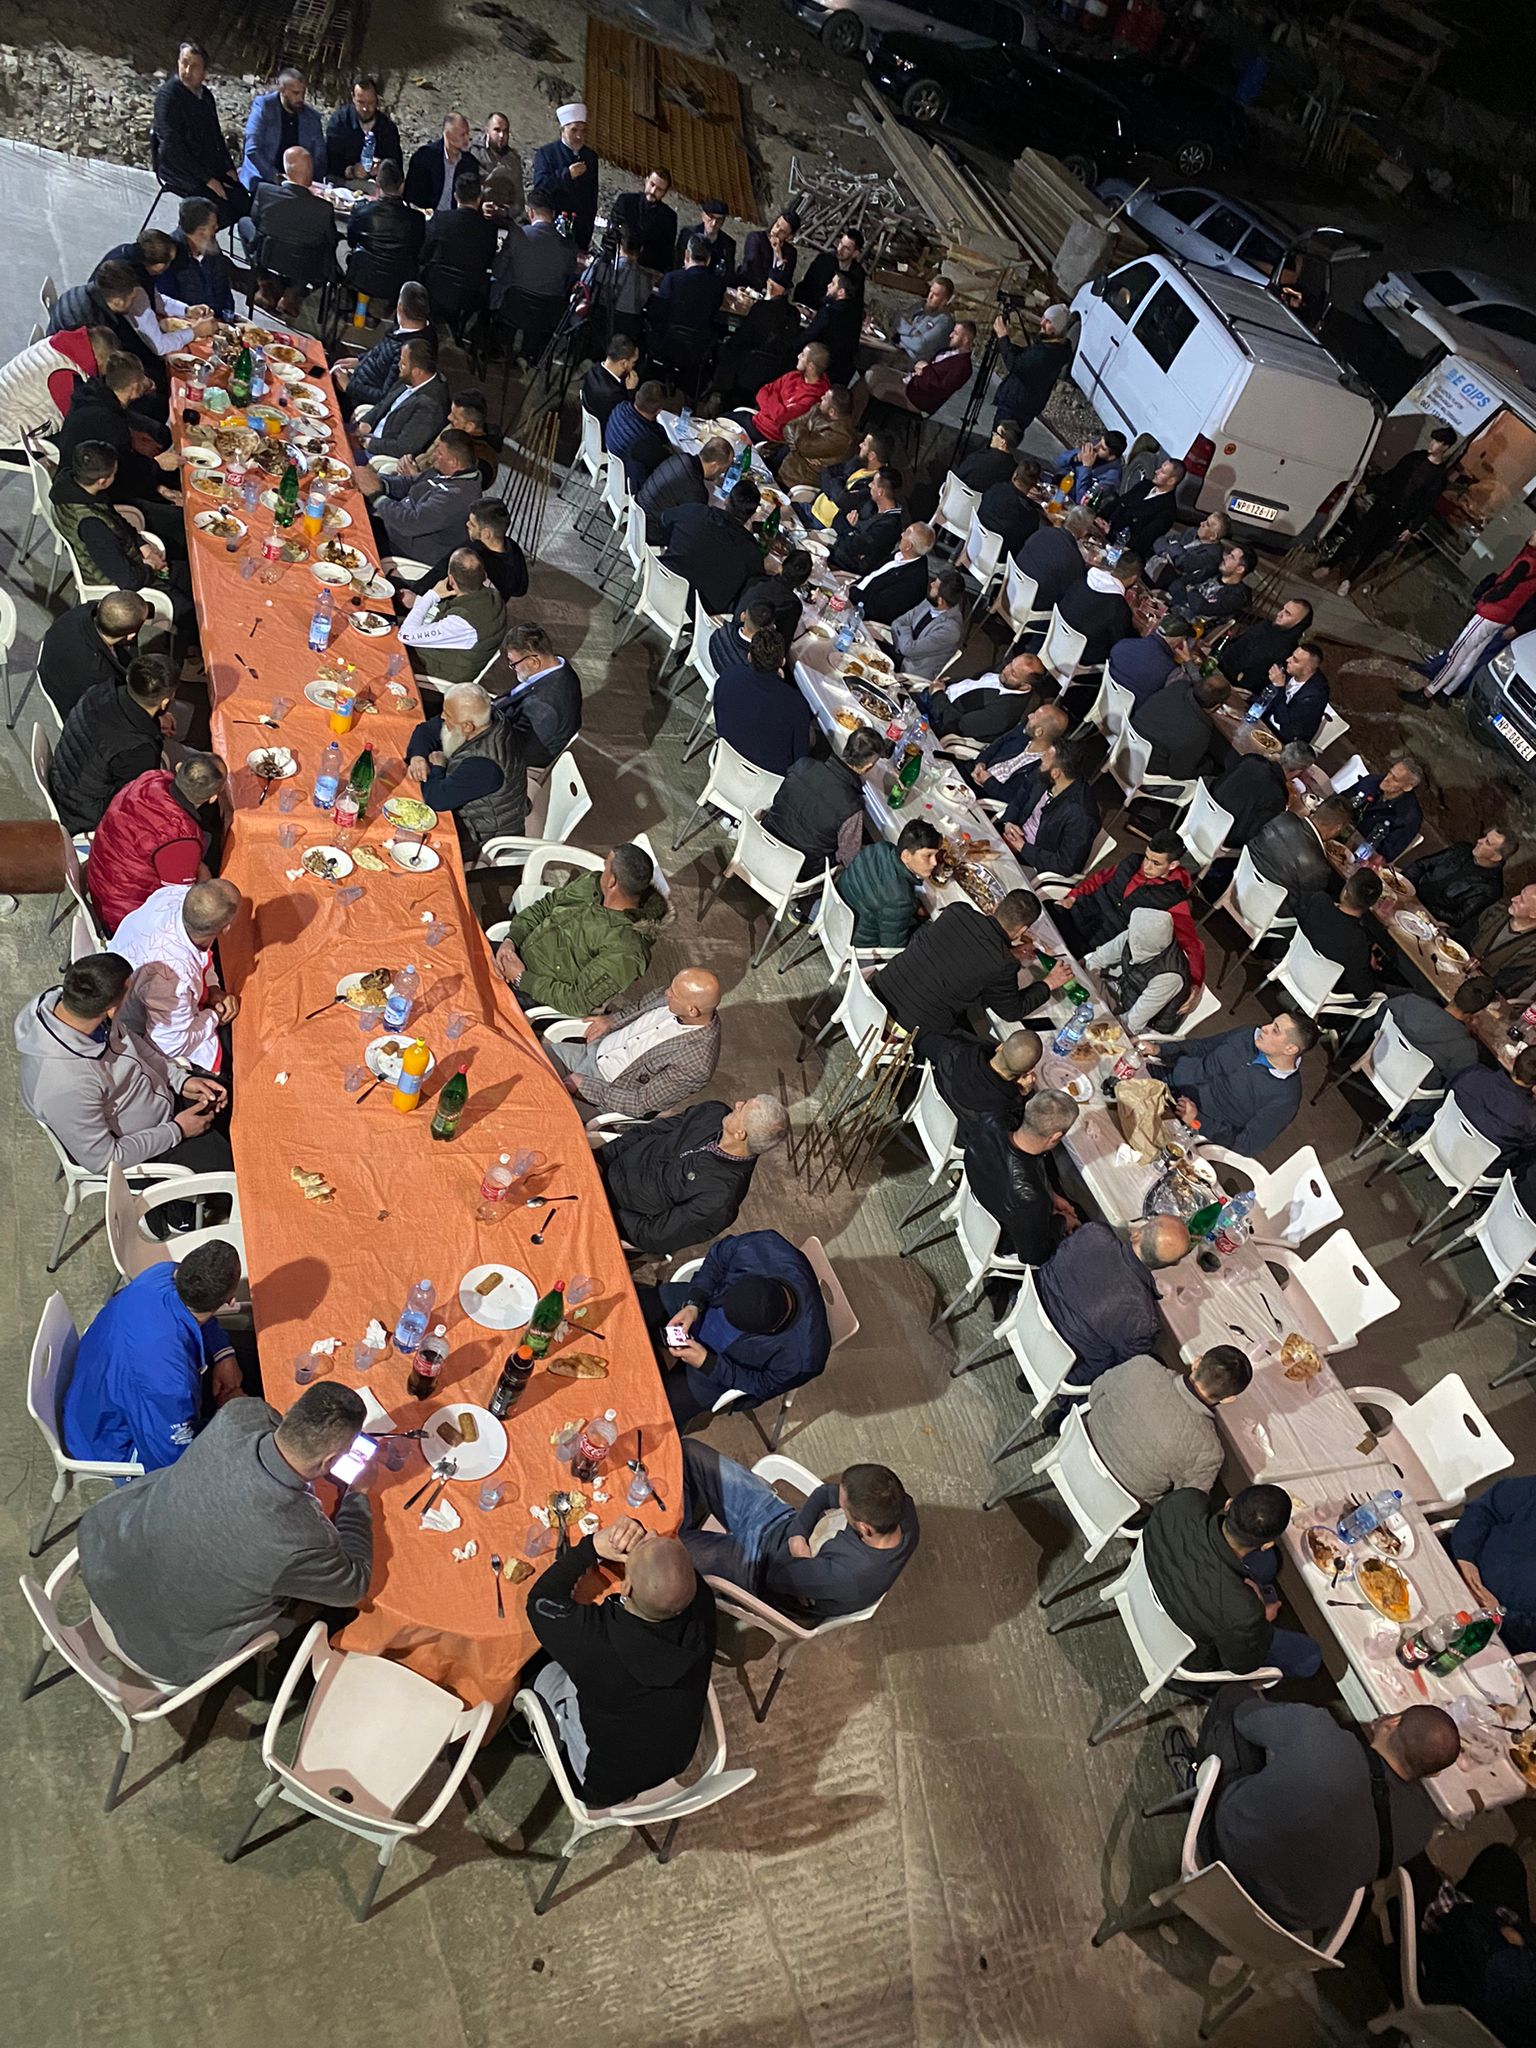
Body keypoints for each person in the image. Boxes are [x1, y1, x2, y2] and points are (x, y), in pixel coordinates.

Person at [77, 1384, 373, 1689]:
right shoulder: (303, 1538)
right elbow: (354, 1587)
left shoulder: (238, 1416)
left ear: (291, 1412)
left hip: (105, 1560)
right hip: (161, 1651)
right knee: (313, 1605)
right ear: (330, 1461)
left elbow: (265, 1418)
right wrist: (358, 1496)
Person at [1193, 1695, 1459, 1939]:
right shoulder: (1421, 1830)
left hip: (1221, 1852)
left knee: (1232, 1697)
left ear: (1393, 1722)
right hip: (1285, 1922)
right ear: (1432, 1774)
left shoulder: (1317, 1730)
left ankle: (1194, 1776)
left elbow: (1245, 1717)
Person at [527, 1516, 714, 1808]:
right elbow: (668, 1570)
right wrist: (646, 1550)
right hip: (674, 1759)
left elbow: (540, 1601)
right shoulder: (702, 1603)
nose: (652, 1532)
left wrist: (590, 1548)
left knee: (540, 1672)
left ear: (625, 1588)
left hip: (602, 1784)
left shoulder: (597, 1643)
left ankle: (540, 1735)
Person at [15, 951, 230, 1175]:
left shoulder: (79, 1009)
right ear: (112, 1010)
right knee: (237, 1171)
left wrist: (179, 1080)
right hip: (145, 1149)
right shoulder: (63, 1089)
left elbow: (131, 1042)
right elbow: (104, 1160)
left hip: (165, 1100)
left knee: (233, 1098)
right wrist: (177, 1131)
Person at [62, 1243, 244, 1474]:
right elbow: (171, 1461)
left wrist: (223, 1354)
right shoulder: (171, 1383)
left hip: (97, 1394)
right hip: (110, 1443)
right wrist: (229, 1416)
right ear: (230, 1299)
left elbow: (201, 1311)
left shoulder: (160, 1274)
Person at [682, 1444, 918, 1621]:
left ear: (865, 1528)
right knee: (689, 1452)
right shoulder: (899, 1507)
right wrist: (798, 1538)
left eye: (844, 1508)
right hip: (779, 1521)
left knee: (668, 1551)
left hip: (758, 1569)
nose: (838, 1502)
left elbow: (776, 1577)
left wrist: (803, 1572)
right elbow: (824, 1493)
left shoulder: (848, 1576)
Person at [639, 1229, 831, 1427]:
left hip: (724, 1365)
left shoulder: (803, 1358)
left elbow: (762, 1385)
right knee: (628, 1311)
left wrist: (709, 1364)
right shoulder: (762, 1247)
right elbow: (717, 1259)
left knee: (650, 1414)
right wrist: (693, 1303)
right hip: (702, 1303)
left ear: (771, 1331)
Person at [1143, 1482, 1321, 1679]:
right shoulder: (1245, 1614)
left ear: (1228, 1504)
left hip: (1146, 1589)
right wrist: (1263, 1620)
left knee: (1268, 1563)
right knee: (1310, 1655)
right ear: (1267, 1544)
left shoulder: (1184, 1500)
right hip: (1185, 1653)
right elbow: (1241, 1665)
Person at [598, 1096, 788, 1257]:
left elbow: (653, 1236)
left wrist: (604, 1208)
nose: (737, 1103)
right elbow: (650, 1130)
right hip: (601, 1168)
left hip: (611, 1212)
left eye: (742, 1108)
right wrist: (601, 1159)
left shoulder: (720, 1199)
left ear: (740, 1134)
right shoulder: (712, 1112)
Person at [495, 844, 667, 1014]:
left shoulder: (627, 949)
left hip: (534, 994)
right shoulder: (591, 884)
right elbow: (547, 905)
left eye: (606, 866)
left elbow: (578, 1001)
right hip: (515, 953)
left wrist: (522, 979)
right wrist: (512, 940)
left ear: (612, 881)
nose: (602, 870)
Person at [1085, 1348, 1252, 1506]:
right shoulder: (1210, 1452)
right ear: (1229, 1399)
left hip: (1079, 1445)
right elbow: (1179, 1506)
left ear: (1196, 1362)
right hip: (1114, 1504)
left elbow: (1095, 1393)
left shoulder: (1142, 1366)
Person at [546, 970, 722, 1119]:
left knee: (542, 1106)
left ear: (692, 1011)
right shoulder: (676, 996)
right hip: (588, 1051)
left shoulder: (696, 1064)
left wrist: (585, 1086)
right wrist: (612, 1020)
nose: (666, 992)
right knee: (530, 1060)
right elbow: (639, 1007)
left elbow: (640, 1104)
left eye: (674, 994)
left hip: (603, 1092)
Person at [1037, 1214, 1191, 1383]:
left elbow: (1055, 1258)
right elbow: (1121, 1369)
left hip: (1031, 1313)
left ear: (1136, 1234)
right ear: (1171, 1265)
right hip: (1066, 1369)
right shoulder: (1144, 1321)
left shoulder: (1094, 1232)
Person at [1404, 1844, 1536, 2041]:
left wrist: (1491, 1923)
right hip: (1504, 1951)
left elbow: (1463, 1930)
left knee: (1405, 1847)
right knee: (1503, 1860)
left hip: (1469, 1978)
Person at [86, 754, 226, 935]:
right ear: (213, 798)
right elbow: (180, 899)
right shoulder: (180, 837)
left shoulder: (150, 779)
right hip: (124, 917)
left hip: (102, 877)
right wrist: (205, 877)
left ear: (179, 767)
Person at [51, 443, 191, 624]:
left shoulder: (73, 487)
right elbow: (128, 580)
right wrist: (150, 566)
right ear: (103, 481)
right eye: (114, 474)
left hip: (131, 560)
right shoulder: (92, 526)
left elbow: (117, 520)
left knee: (190, 574)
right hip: (121, 588)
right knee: (193, 614)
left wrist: (143, 546)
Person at [112, 879, 241, 1073]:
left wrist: (212, 987)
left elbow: (201, 950)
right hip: (138, 1028)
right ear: (226, 928)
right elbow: (172, 1044)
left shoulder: (173, 895)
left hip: (125, 971)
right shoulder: (171, 980)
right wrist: (214, 1015)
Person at [872, 889, 1043, 1034]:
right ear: (1023, 930)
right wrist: (1050, 983)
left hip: (877, 990)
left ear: (997, 905)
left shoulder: (957, 911)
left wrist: (1009, 952)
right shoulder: (1004, 964)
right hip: (908, 1027)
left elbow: (970, 948)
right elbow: (1011, 1011)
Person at [1147, 1012, 1318, 1156]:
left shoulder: (1286, 1097)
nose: (1264, 1028)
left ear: (1290, 1049)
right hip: (1166, 1078)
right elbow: (1202, 1046)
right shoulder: (1248, 1034)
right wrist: (1160, 1050)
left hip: (1184, 1124)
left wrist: (1197, 1120)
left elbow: (1248, 1143)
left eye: (1275, 1030)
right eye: (1271, 1023)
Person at [49, 653, 176, 837]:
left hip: (64, 781)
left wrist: (155, 721)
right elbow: (131, 802)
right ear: (165, 701)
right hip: (84, 814)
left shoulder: (99, 691)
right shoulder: (138, 749)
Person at [1408, 528, 1536, 703]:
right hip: (1503, 616)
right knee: (1472, 655)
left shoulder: (1527, 562)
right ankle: (1446, 692)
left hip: (1491, 613)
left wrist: (1487, 598)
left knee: (1458, 652)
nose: (1532, 532)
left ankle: (1428, 692)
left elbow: (1507, 588)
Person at [1325, 425, 1458, 594]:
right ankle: (1330, 564)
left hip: (1400, 517)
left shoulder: (1438, 477)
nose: (1432, 444)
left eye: (1438, 442)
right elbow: (1392, 476)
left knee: (1374, 549)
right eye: (1433, 439)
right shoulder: (1415, 458)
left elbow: (1427, 504)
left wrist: (1412, 527)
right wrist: (1370, 486)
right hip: (1384, 505)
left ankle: (1349, 579)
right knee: (1358, 536)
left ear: (1446, 447)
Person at [1059, 835, 1205, 985]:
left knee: (1060, 962)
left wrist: (1195, 982)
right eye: (1147, 857)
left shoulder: (1173, 898)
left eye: (1156, 863)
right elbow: (1099, 879)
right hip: (1078, 911)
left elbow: (1191, 944)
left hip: (1097, 942)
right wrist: (1072, 896)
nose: (1146, 866)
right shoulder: (1132, 862)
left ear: (1172, 865)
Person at [404, 680, 526, 854]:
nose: (442, 718)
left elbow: (435, 800)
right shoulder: (483, 718)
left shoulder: (485, 765)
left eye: (448, 716)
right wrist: (418, 756)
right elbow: (426, 731)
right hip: (459, 799)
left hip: (477, 833)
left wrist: (438, 767)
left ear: (467, 726)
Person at [962, 1091, 1080, 1264]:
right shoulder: (1031, 1198)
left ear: (1028, 1107)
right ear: (1056, 1137)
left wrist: (1050, 1194)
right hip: (999, 1240)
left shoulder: (990, 1122)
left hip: (974, 1203)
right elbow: (1033, 1257)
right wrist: (1062, 1222)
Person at [56, 353, 178, 512]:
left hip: (72, 479)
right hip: (91, 499)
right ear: (134, 387)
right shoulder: (110, 423)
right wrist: (157, 467)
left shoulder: (90, 396)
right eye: (142, 378)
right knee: (177, 516)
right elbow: (120, 479)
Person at [760, 726, 883, 881]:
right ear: (868, 766)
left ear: (846, 747)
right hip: (798, 870)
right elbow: (848, 857)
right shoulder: (852, 808)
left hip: (763, 839)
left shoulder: (802, 764)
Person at [152, 40, 247, 228]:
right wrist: (207, 179)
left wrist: (228, 167)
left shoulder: (206, 96)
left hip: (206, 163)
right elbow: (172, 144)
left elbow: (215, 135)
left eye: (194, 66)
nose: (187, 71)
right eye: (184, 63)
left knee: (244, 202)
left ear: (204, 72)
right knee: (218, 210)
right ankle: (190, 241)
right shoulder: (168, 97)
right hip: (179, 167)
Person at [240, 145, 337, 321]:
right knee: (319, 248)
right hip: (306, 265)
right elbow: (331, 239)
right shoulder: (324, 208)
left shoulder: (265, 192)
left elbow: (256, 220)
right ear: (310, 173)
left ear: (286, 171)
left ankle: (264, 282)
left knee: (244, 224)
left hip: (269, 255)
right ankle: (293, 292)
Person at [487, 186, 580, 362]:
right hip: (547, 315)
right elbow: (568, 277)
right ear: (553, 214)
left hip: (513, 308)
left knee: (499, 289)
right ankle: (530, 355)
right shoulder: (569, 247)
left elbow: (498, 270)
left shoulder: (518, 236)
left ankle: (498, 348)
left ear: (530, 212)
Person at [1446, 1476, 1536, 1655]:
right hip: (1453, 1567)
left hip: (1491, 1633)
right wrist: (1465, 1557)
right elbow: (1483, 1510)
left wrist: (1500, 1615)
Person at [398, 544, 506, 692]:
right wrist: (418, 601)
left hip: (430, 679)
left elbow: (405, 635)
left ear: (451, 580)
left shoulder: (464, 621)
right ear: (484, 575)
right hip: (435, 657)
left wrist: (432, 595)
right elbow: (444, 621)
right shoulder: (492, 596)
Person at [364, 427, 480, 561]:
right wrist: (379, 482)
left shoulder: (456, 497)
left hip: (401, 549)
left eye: (440, 453)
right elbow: (409, 482)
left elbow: (409, 523)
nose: (434, 455)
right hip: (391, 525)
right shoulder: (445, 472)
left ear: (453, 462)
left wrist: (376, 496)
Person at [999, 733, 1102, 880]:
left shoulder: (1081, 816)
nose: (1040, 763)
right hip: (1011, 837)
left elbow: (1066, 864)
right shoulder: (1045, 776)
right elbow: (1019, 798)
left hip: (1031, 862)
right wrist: (1009, 822)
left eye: (1044, 762)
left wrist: (1023, 848)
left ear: (1056, 773)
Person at [37, 589, 149, 721]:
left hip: (53, 670)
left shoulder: (82, 612)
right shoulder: (100, 674)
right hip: (80, 713)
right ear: (131, 635)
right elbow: (110, 714)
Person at [658, 479, 764, 616]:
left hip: (659, 582)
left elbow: (664, 519)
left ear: (726, 500)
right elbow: (752, 588)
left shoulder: (696, 512)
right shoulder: (751, 552)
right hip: (695, 613)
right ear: (752, 515)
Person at [0, 321, 110, 453]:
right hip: (6, 433)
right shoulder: (66, 375)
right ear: (99, 359)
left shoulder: (57, 344)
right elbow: (76, 423)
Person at [712, 629, 810, 774]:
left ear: (749, 656)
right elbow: (800, 758)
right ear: (782, 661)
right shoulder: (797, 706)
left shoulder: (728, 676)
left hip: (723, 762)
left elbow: (718, 711)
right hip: (770, 780)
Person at [1084, 907, 1193, 1034]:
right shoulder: (1134, 934)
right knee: (1079, 991)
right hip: (1123, 994)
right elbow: (1097, 959)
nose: (1129, 930)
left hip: (1148, 1024)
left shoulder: (1169, 976)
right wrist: (1088, 991)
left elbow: (1132, 1023)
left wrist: (1097, 1022)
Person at [836, 818, 942, 948]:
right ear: (906, 856)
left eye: (936, 855)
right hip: (857, 940)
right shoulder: (900, 900)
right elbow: (892, 946)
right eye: (928, 856)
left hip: (836, 913)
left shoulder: (879, 848)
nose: (934, 863)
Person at [407, 495, 527, 606]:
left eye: (473, 524)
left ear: (486, 533)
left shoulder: (471, 555)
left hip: (444, 609)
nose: (467, 524)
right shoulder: (514, 549)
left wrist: (415, 597)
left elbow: (437, 576)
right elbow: (520, 590)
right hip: (488, 612)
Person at [492, 621, 581, 769]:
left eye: (513, 663)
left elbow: (518, 751)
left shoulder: (543, 706)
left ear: (534, 662)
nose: (513, 668)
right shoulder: (560, 666)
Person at [332, 281, 431, 413]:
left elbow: (386, 396)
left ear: (400, 308)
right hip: (358, 378)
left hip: (359, 400)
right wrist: (359, 360)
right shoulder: (403, 327)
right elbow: (380, 353)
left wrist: (349, 387)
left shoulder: (410, 351)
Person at [916, 1028, 1040, 1131]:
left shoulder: (956, 1054)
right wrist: (1023, 1094)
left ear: (1000, 1047)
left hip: (927, 1109)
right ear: (1028, 1071)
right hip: (956, 1137)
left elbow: (924, 1042)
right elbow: (1021, 1133)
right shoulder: (1007, 1109)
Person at [352, 335, 450, 464]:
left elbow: (404, 447)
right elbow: (383, 403)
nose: (398, 365)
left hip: (377, 453)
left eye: (403, 364)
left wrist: (367, 442)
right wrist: (367, 422)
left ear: (417, 372)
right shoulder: (408, 378)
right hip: (367, 435)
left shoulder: (431, 405)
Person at [419, 170, 497, 329]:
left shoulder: (440, 220)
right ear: (479, 198)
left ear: (456, 196)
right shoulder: (489, 230)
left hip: (436, 287)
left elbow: (424, 254)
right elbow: (487, 262)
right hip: (468, 294)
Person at [1129, 670, 1231, 792]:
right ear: (1217, 706)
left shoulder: (1178, 687)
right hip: (1146, 776)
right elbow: (1180, 774)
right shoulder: (1199, 733)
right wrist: (1208, 765)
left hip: (1125, 744)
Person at [1248, 796, 1351, 918]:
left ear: (1317, 807)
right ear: (1338, 828)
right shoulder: (1319, 868)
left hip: (1242, 880)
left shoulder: (1284, 818)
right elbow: (1305, 907)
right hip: (1267, 912)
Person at [1384, 976, 1494, 1086]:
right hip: (1409, 1088)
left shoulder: (1409, 1001)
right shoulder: (1466, 1049)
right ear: (1476, 1014)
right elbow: (1457, 1084)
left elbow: (1381, 1016)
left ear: (1455, 993)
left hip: (1380, 1061)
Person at [1209, 740, 1317, 852]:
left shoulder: (1251, 759)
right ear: (1298, 772)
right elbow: (1257, 835)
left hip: (1204, 810)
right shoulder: (1278, 797)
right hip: (1224, 839)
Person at [713, 276, 801, 410]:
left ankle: (717, 394)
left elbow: (742, 337)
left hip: (746, 368)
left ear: (770, 287)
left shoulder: (762, 308)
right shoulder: (794, 315)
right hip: (772, 373)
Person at [925, 651, 1048, 746]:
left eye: (1013, 673)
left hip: (934, 718)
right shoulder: (1005, 676)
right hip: (939, 693)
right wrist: (949, 683)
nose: (1006, 670)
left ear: (1025, 686)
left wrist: (937, 693)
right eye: (1011, 664)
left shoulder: (1003, 713)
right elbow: (973, 681)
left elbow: (952, 724)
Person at [1298, 868, 1384, 1005]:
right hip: (1320, 989)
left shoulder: (1319, 900)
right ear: (1371, 905)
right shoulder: (1357, 941)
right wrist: (1368, 965)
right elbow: (1363, 991)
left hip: (1295, 964)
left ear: (1345, 892)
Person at [1402, 829, 1514, 932]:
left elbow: (1458, 917)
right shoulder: (1462, 849)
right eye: (1484, 837)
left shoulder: (1491, 888)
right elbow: (1421, 865)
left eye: (1487, 842)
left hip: (1427, 918)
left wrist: (1420, 905)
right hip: (1407, 891)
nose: (1479, 841)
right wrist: (1405, 887)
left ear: (1495, 857)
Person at [644, 233, 728, 368]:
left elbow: (657, 314)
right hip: (697, 350)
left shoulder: (672, 278)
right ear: (708, 259)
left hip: (666, 345)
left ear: (687, 255)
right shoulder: (718, 286)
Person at [861, 321, 975, 417]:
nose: (950, 335)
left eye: (955, 333)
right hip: (911, 380)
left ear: (965, 339)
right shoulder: (947, 351)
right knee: (875, 371)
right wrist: (921, 367)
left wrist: (925, 369)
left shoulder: (963, 367)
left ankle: (854, 420)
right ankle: (853, 418)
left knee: (875, 385)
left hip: (917, 397)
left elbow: (941, 389)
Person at [636, 434, 734, 544]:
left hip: (639, 509)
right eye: (722, 470)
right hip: (650, 530)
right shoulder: (696, 490)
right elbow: (692, 528)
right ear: (714, 466)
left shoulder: (681, 457)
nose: (720, 475)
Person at [529, 101, 600, 253]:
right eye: (574, 130)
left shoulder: (590, 157)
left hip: (580, 232)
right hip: (553, 227)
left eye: (583, 130)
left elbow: (592, 197)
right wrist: (567, 175)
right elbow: (541, 187)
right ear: (562, 129)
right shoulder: (546, 153)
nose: (579, 136)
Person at [963, 698, 1068, 799]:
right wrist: (981, 763)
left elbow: (1015, 799)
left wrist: (988, 782)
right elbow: (997, 744)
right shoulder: (1022, 732)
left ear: (1039, 732)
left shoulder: (1043, 768)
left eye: (1034, 717)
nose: (1029, 716)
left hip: (982, 795)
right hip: (972, 772)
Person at [239, 68, 323, 190]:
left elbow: (319, 157)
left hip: (298, 184)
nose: (301, 99)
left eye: (303, 93)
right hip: (262, 178)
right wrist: (275, 177)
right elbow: (252, 149)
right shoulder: (264, 107)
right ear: (282, 90)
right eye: (296, 93)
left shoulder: (311, 118)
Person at [992, 303, 1071, 433]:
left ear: (1056, 330)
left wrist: (1003, 338)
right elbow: (1026, 356)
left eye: (1048, 321)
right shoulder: (1055, 347)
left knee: (1001, 438)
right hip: (1022, 404)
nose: (1042, 323)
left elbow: (1016, 365)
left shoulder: (1047, 353)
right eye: (1043, 317)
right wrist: (1008, 343)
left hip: (1016, 407)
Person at [1451, 1049, 1536, 1167]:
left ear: (1514, 1059)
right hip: (1482, 1166)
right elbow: (1526, 1152)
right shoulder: (1530, 1120)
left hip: (1446, 1138)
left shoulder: (1474, 1073)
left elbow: (1449, 1093)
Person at [1056, 551, 1140, 667]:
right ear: (1134, 578)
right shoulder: (1119, 608)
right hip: (1082, 656)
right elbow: (1119, 644)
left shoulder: (1084, 578)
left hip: (1057, 637)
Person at [1337, 755, 1425, 864]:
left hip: (1358, 856)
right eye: (1390, 772)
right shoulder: (1372, 781)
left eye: (1395, 779)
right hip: (1338, 830)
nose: (1387, 779)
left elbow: (1385, 855)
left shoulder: (1409, 816)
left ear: (1407, 787)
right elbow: (1340, 800)